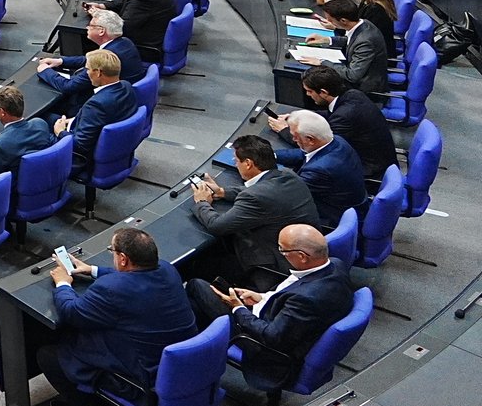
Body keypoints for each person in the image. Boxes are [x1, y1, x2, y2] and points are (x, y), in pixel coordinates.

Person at [184, 225, 352, 395]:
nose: (281, 253)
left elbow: (271, 337)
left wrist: (238, 308)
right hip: (286, 324)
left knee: (196, 287)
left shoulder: (305, 300)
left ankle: (192, 358)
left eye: (283, 250)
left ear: (301, 256)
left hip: (267, 349)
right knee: (197, 304)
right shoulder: (336, 265)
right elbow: (290, 299)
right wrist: (262, 297)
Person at [39, 227, 197, 403]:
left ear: (123, 259)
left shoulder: (111, 289)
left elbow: (72, 312)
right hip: (185, 367)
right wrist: (92, 270)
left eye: (112, 251)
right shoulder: (167, 269)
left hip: (146, 380)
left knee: (50, 355)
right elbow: (136, 276)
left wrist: (63, 283)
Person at [190, 135, 323, 283]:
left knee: (198, 265)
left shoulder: (255, 197)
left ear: (248, 163)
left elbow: (217, 226)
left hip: (274, 265)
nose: (235, 163)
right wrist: (222, 191)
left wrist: (202, 201)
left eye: (236, 160)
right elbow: (262, 191)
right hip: (301, 249)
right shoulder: (288, 176)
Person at [54, 51, 139, 180]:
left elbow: (80, 146)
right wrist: (75, 119)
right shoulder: (126, 87)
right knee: (50, 118)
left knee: (40, 127)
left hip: (83, 158)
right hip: (113, 147)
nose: (86, 73)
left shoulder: (96, 104)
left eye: (87, 69)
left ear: (98, 72)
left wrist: (60, 132)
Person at [276, 110, 366, 231]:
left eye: (295, 137)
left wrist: (261, 170)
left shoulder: (319, 170)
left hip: (333, 220)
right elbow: (302, 154)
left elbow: (285, 194)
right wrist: (270, 155)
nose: (293, 139)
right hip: (353, 207)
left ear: (310, 139)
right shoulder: (337, 141)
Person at [299, 0, 389, 96]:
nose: (328, 22)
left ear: (343, 21)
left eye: (330, 20)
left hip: (364, 89)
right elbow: (350, 40)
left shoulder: (365, 41)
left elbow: (352, 75)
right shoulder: (362, 23)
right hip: (357, 76)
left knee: (315, 82)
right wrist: (326, 39)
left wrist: (322, 62)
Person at [0, 84, 56, 179]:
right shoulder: (40, 124)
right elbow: (20, 143)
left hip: (16, 186)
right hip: (44, 175)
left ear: (2, 112)